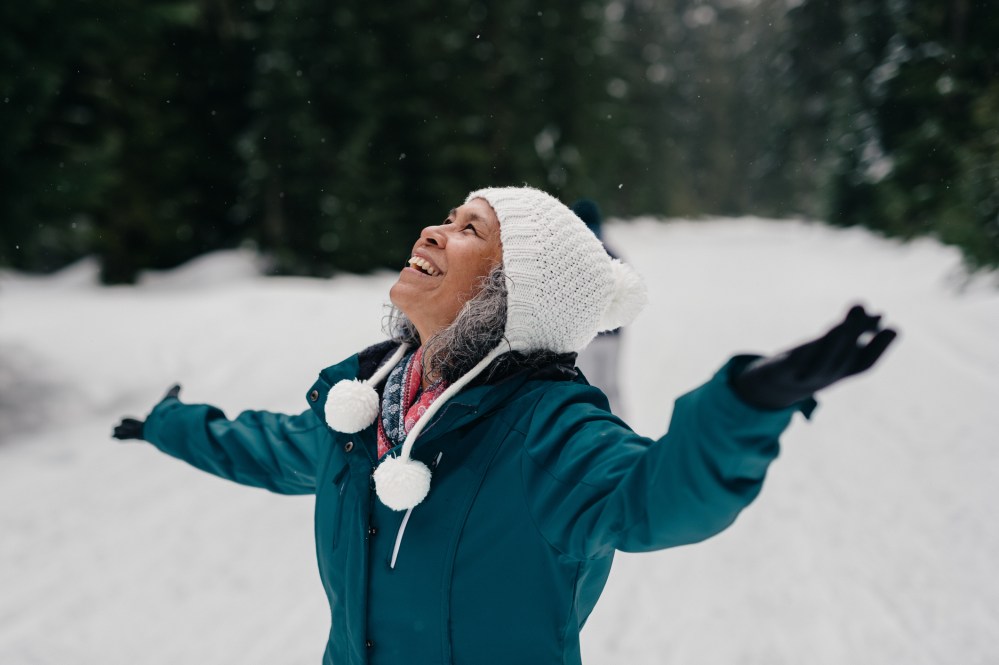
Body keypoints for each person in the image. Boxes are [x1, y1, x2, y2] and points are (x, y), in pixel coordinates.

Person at [113, 186, 896, 665]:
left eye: (468, 230)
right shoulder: (363, 396)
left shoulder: (548, 430)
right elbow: (269, 445)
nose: (432, 231)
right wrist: (170, 423)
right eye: (448, 216)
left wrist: (743, 407)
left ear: (508, 294)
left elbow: (656, 500)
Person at [571, 198, 626, 416]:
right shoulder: (612, 254)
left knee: (588, 386)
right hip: (612, 335)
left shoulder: (573, 256)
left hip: (587, 336)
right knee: (610, 386)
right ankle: (622, 428)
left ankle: (593, 429)